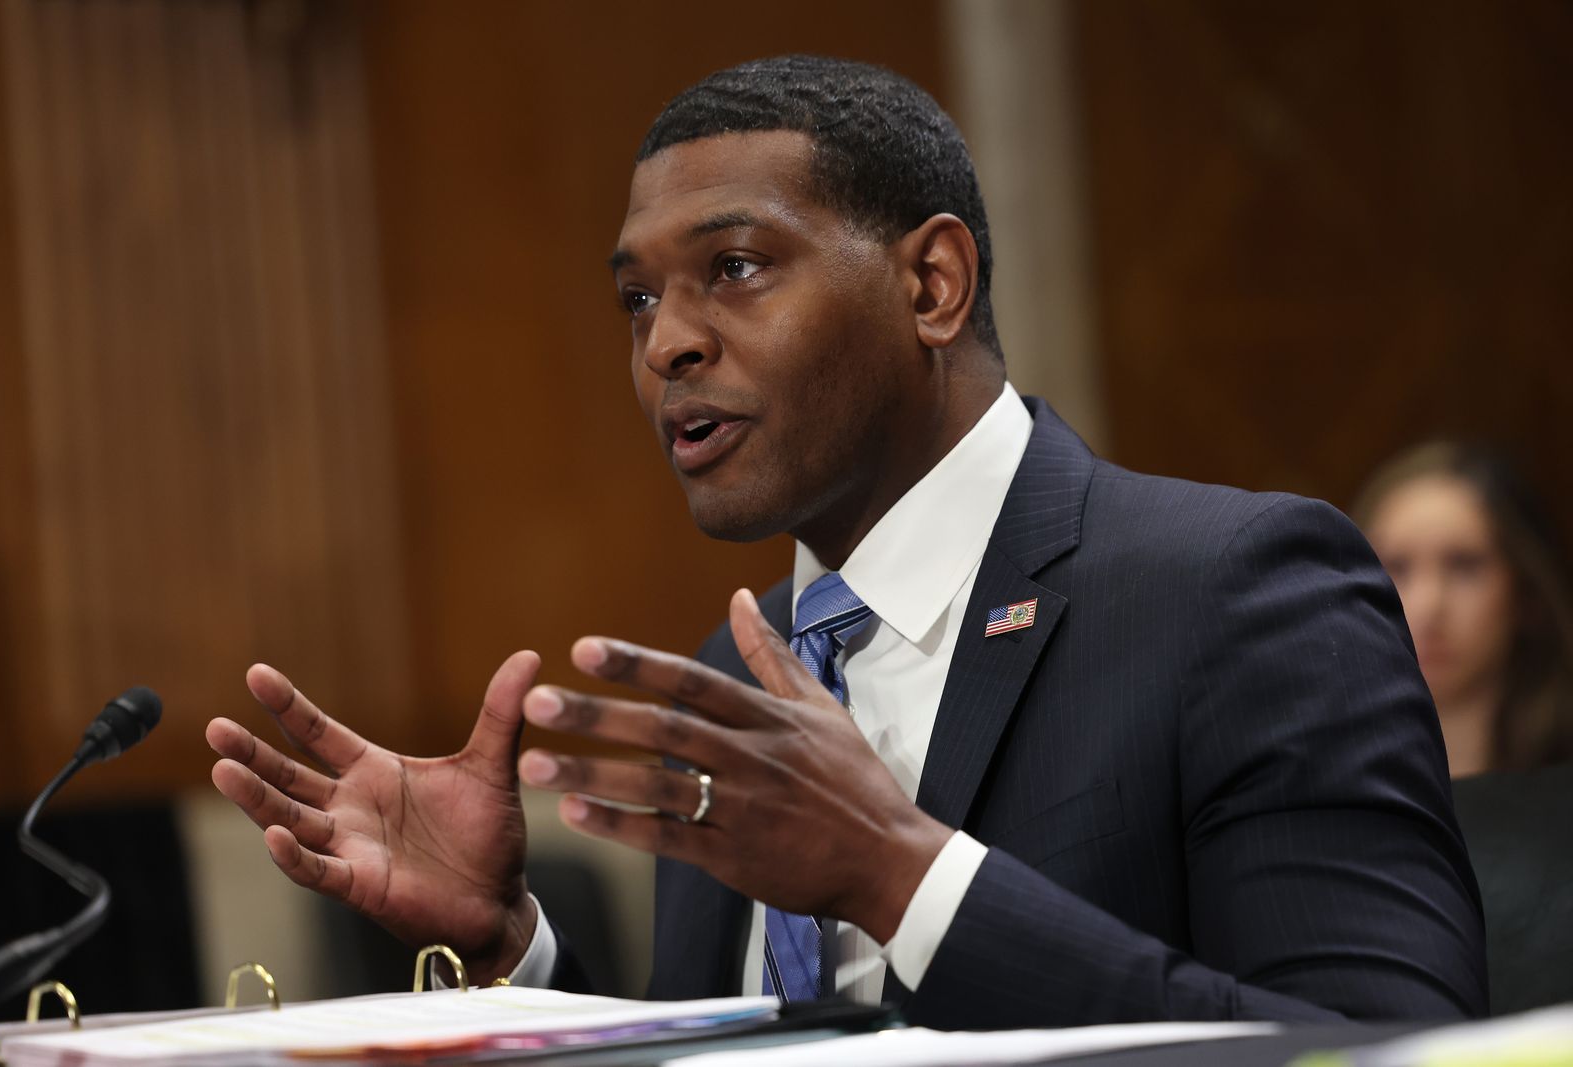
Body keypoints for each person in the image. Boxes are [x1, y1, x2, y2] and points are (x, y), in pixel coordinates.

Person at [206, 56, 1486, 1028]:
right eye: (638, 299)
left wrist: (900, 875)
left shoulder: (1232, 591)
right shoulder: (737, 669)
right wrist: (512, 949)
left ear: (931, 286)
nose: (666, 345)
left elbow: (1384, 1052)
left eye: (738, 266)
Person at [1356, 442, 1573, 777]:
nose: (1428, 605)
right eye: (1396, 567)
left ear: (1528, 593)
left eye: (1464, 565)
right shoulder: (1318, 782)